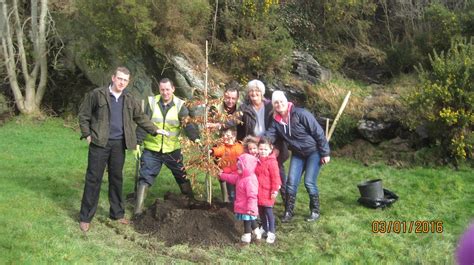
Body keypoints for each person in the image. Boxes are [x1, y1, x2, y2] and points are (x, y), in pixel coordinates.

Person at [78, 66, 162, 232]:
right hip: (99, 144)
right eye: (120, 78)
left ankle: (117, 213)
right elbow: (84, 115)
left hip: (119, 145)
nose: (122, 82)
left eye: (125, 79)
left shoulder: (129, 98)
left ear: (128, 81)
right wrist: (87, 134)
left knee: (116, 179)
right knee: (93, 179)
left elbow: (140, 117)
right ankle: (85, 217)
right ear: (113, 78)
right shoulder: (98, 94)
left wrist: (155, 129)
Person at [134, 78, 200, 215]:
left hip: (172, 150)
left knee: (181, 175)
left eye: (167, 90)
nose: (165, 93)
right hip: (152, 149)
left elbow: (187, 125)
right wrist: (137, 142)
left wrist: (196, 139)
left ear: (173, 89)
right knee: (145, 176)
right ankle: (138, 210)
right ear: (159, 89)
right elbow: (143, 123)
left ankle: (192, 203)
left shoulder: (180, 105)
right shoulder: (151, 103)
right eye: (162, 90)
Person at [264, 91, 330, 223]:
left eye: (281, 101)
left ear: (286, 101)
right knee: (291, 183)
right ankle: (289, 212)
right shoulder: (276, 120)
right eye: (276, 102)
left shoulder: (301, 114)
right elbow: (270, 135)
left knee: (309, 182)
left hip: (314, 152)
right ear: (273, 105)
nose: (279, 104)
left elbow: (318, 132)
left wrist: (325, 152)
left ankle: (315, 211)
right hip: (298, 154)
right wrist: (262, 145)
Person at [236, 80, 289, 204]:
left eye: (257, 90)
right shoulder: (244, 107)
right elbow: (235, 122)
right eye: (251, 91)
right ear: (248, 94)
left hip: (271, 145)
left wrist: (277, 148)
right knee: (257, 176)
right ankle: (260, 204)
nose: (254, 93)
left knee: (278, 174)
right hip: (255, 147)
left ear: (262, 92)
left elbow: (280, 129)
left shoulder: (271, 106)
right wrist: (219, 125)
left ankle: (288, 206)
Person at [219, 153, 262, 244]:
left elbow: (252, 196)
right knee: (251, 220)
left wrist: (251, 208)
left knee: (247, 221)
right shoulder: (240, 177)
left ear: (246, 168)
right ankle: (257, 234)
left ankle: (246, 238)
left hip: (247, 207)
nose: (237, 169)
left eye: (239, 167)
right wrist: (222, 175)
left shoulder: (250, 180)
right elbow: (231, 178)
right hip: (243, 205)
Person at [254, 137, 281, 244]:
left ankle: (271, 232)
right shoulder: (257, 160)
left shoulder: (272, 162)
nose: (263, 151)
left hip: (268, 192)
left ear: (270, 149)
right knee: (261, 211)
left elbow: (276, 178)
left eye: (265, 149)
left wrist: (275, 190)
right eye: (261, 149)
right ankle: (264, 228)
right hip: (258, 191)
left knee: (269, 212)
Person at [210, 127, 244, 203]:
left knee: (240, 192)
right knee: (231, 193)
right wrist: (212, 151)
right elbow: (217, 150)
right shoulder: (223, 147)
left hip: (238, 174)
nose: (225, 137)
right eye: (224, 135)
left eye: (227, 135)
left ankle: (239, 205)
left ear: (234, 137)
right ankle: (232, 205)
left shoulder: (240, 147)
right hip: (229, 174)